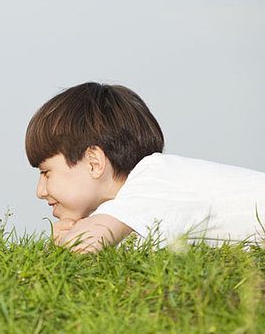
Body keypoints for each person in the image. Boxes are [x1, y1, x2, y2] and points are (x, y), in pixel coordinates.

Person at [25, 82, 265, 253]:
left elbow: (85, 245)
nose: (40, 191)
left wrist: (65, 243)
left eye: (46, 172)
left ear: (94, 163)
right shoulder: (145, 209)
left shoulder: (152, 179)